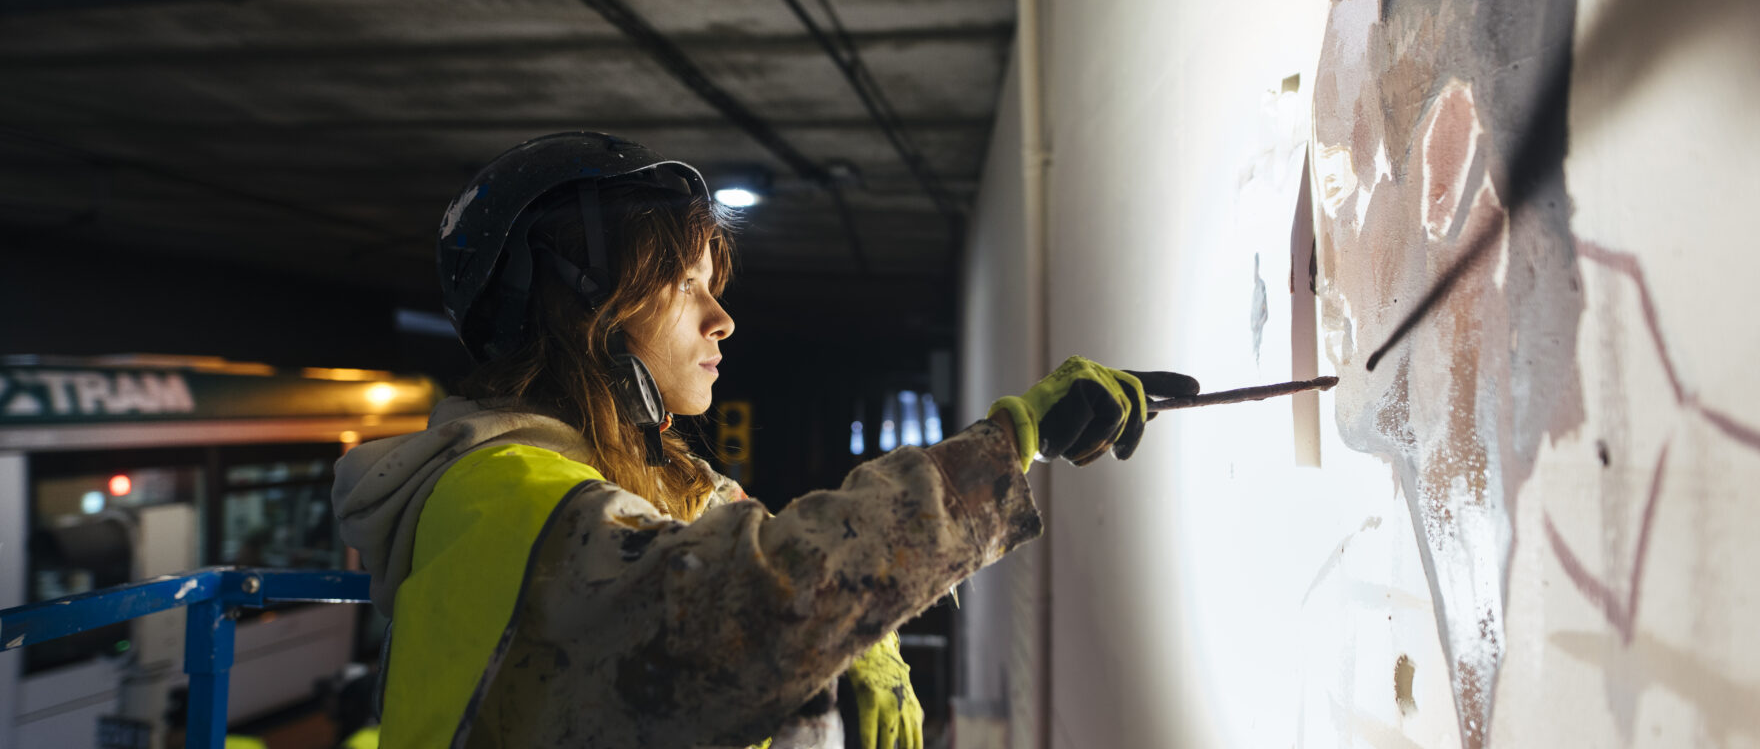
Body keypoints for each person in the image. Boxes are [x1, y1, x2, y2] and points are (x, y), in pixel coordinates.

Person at [331, 132, 1198, 749]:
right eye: (682, 284)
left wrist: (864, 636)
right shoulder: (501, 494)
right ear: (580, 311)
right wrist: (1015, 440)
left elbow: (767, 542)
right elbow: (760, 604)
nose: (723, 318)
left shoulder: (654, 474)